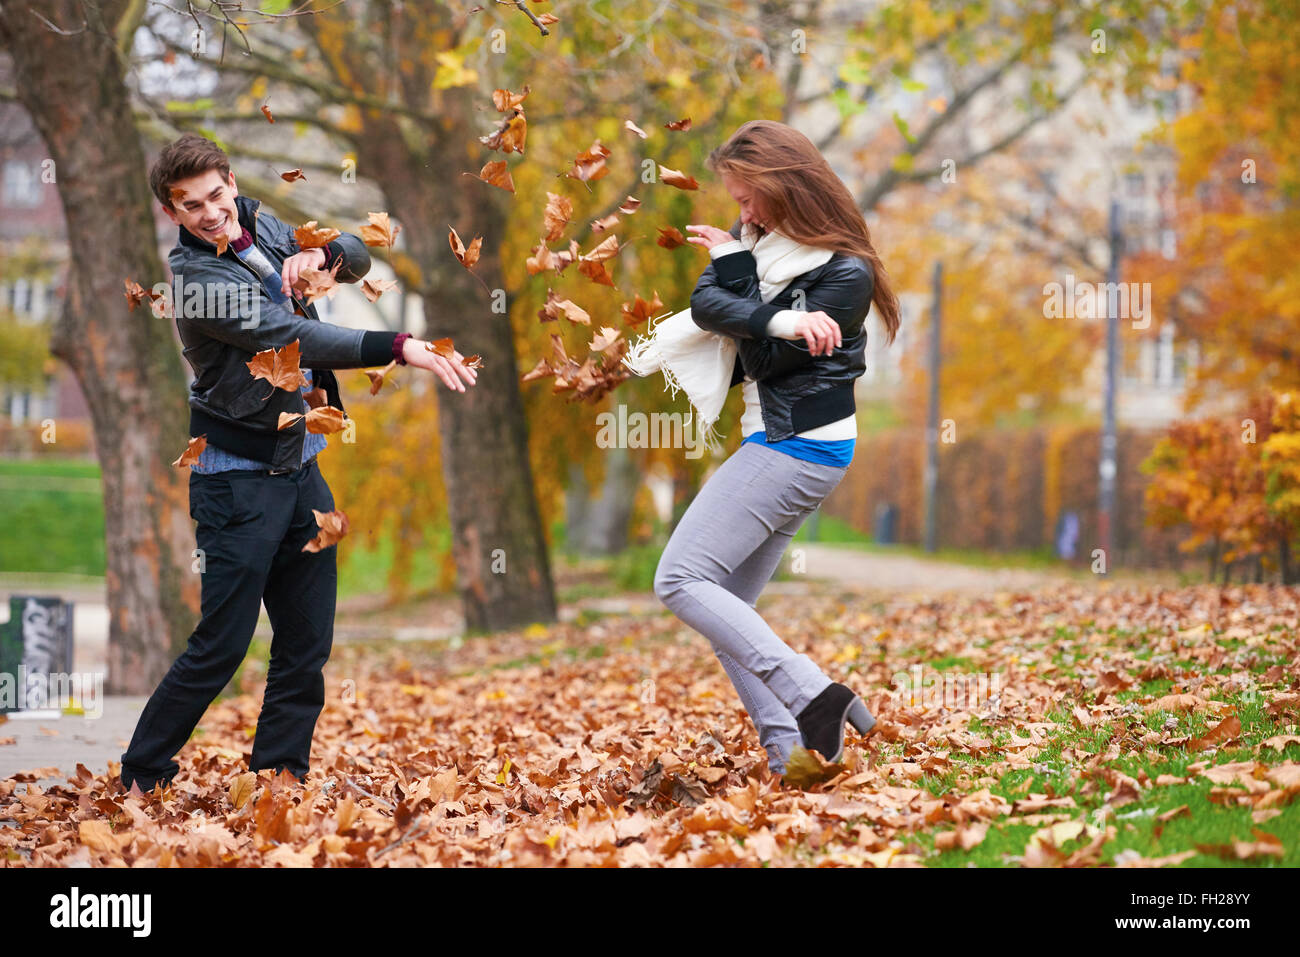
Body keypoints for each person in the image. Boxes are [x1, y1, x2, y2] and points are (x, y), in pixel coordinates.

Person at [119, 133, 476, 793]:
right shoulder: (197, 280)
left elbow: (359, 252)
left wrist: (323, 253)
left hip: (302, 466)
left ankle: (280, 775)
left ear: (229, 181)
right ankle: (142, 773)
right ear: (173, 213)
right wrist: (401, 345)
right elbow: (291, 335)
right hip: (237, 480)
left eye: (215, 194)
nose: (210, 212)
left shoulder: (259, 221)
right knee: (223, 644)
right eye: (190, 205)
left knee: (307, 642)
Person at [653, 120, 901, 777]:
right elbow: (708, 304)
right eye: (736, 201)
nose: (742, 213)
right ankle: (788, 753)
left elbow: (760, 357)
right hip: (782, 441)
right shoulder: (758, 249)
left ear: (784, 184)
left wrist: (751, 297)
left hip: (799, 445)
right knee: (727, 612)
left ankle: (813, 694)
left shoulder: (845, 274)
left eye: (747, 198)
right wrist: (739, 268)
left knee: (679, 578)